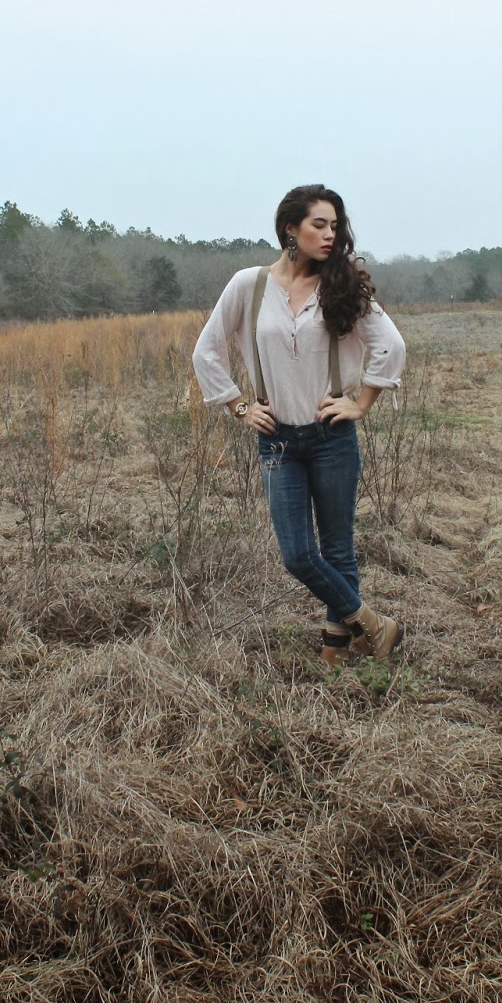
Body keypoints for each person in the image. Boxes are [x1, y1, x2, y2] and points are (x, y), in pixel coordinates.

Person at [192, 184, 406, 667]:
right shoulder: (249, 286)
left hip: (332, 439)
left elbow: (391, 345)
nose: (330, 235)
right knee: (296, 554)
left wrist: (361, 403)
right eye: (319, 225)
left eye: (335, 226)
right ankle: (374, 625)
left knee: (337, 547)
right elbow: (206, 350)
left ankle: (335, 648)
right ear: (290, 229)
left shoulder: (341, 288)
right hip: (278, 441)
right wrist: (239, 407)